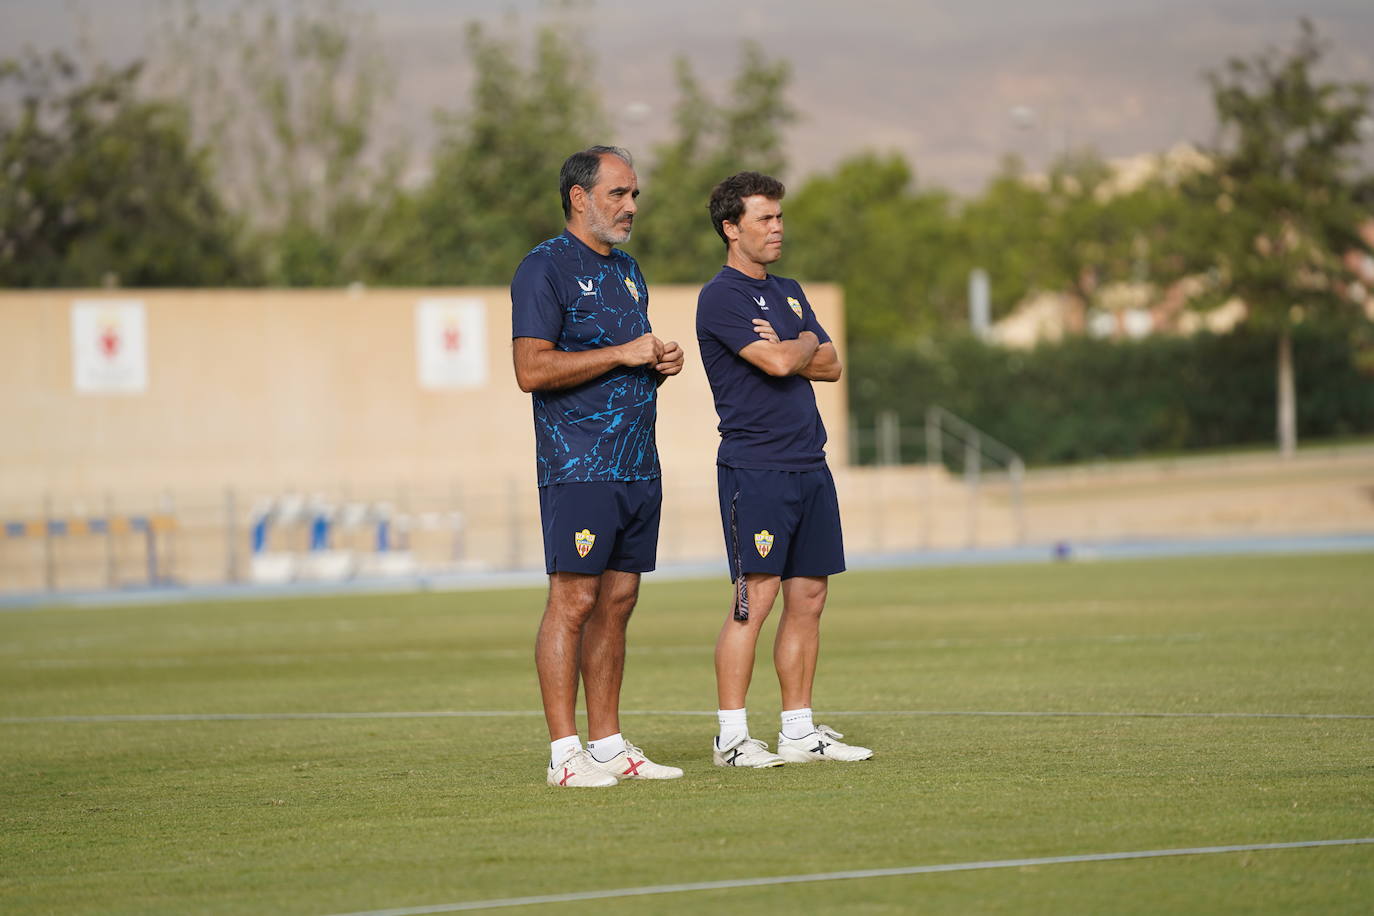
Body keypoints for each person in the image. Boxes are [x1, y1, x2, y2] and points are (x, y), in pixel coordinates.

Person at [511, 146, 685, 787]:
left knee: (619, 599)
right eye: (618, 193)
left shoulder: (631, 270)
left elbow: (622, 360)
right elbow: (531, 369)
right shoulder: (544, 267)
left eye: (635, 194)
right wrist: (622, 353)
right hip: (578, 463)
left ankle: (609, 745)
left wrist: (655, 364)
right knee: (574, 599)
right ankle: (565, 755)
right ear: (579, 197)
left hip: (638, 464)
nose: (631, 206)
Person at [695, 171, 873, 768]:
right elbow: (780, 360)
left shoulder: (790, 290)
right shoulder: (720, 297)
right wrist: (797, 346)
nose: (777, 228)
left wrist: (793, 345)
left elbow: (832, 364)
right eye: (764, 219)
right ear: (731, 228)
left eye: (778, 217)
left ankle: (798, 732)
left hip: (809, 466)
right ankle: (731, 737)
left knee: (811, 597)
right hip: (757, 470)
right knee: (755, 599)